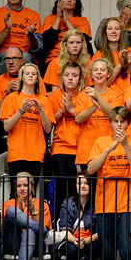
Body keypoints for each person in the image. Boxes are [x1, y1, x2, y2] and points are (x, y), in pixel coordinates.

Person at [87, 106, 131, 260]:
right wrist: (108, 150)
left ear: (128, 123)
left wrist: (125, 144)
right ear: (110, 123)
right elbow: (90, 169)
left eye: (123, 122)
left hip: (128, 204)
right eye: (116, 121)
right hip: (105, 203)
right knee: (108, 251)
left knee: (128, 250)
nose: (119, 125)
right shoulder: (101, 141)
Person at [2, 172, 66, 260]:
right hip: (13, 243)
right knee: (11, 211)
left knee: (29, 231)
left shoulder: (42, 204)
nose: (22, 189)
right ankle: (47, 235)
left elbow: (43, 226)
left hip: (35, 244)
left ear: (32, 186)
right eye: (18, 186)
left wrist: (33, 212)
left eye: (25, 185)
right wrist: (20, 212)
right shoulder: (8, 204)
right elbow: (5, 228)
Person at [0, 63, 53, 181]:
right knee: (16, 190)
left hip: (36, 152)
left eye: (33, 74)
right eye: (27, 73)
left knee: (31, 191)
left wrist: (40, 111)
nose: (30, 76)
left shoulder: (44, 100)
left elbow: (48, 129)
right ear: (21, 77)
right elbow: (6, 127)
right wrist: (21, 110)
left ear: (37, 79)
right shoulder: (12, 98)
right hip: (16, 151)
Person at [74, 58, 124, 170]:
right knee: (86, 187)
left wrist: (98, 97)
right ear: (91, 74)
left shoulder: (117, 95)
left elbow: (115, 117)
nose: (99, 72)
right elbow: (78, 119)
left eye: (102, 70)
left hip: (110, 150)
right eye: (95, 70)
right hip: (86, 152)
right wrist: (93, 108)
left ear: (109, 74)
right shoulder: (83, 95)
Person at [49, 62, 86, 212]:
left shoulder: (85, 95)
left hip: (82, 147)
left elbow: (84, 119)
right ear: (61, 77)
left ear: (80, 78)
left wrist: (72, 111)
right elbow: (49, 122)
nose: (70, 78)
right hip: (61, 147)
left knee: (82, 189)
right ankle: (59, 222)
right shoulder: (55, 95)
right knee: (62, 187)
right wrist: (63, 111)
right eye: (67, 75)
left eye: (74, 75)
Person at [60, 172, 98, 260]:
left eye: (86, 183)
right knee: (71, 248)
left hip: (90, 240)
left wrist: (85, 240)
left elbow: (100, 231)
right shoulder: (67, 203)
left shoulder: (97, 204)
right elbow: (64, 229)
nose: (82, 186)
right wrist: (75, 241)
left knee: (94, 247)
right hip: (72, 239)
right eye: (79, 183)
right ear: (75, 186)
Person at [42, 0, 92, 67]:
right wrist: (58, 17)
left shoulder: (82, 20)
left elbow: (83, 41)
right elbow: (48, 42)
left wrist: (66, 20)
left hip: (77, 59)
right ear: (59, 1)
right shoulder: (49, 19)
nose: (69, 0)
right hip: (54, 59)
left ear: (76, 3)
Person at [93, 17, 131, 94]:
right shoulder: (98, 55)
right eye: (110, 29)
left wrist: (130, 65)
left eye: (117, 29)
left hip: (129, 97)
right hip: (108, 98)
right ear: (105, 32)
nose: (113, 31)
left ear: (121, 32)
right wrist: (120, 65)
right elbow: (102, 85)